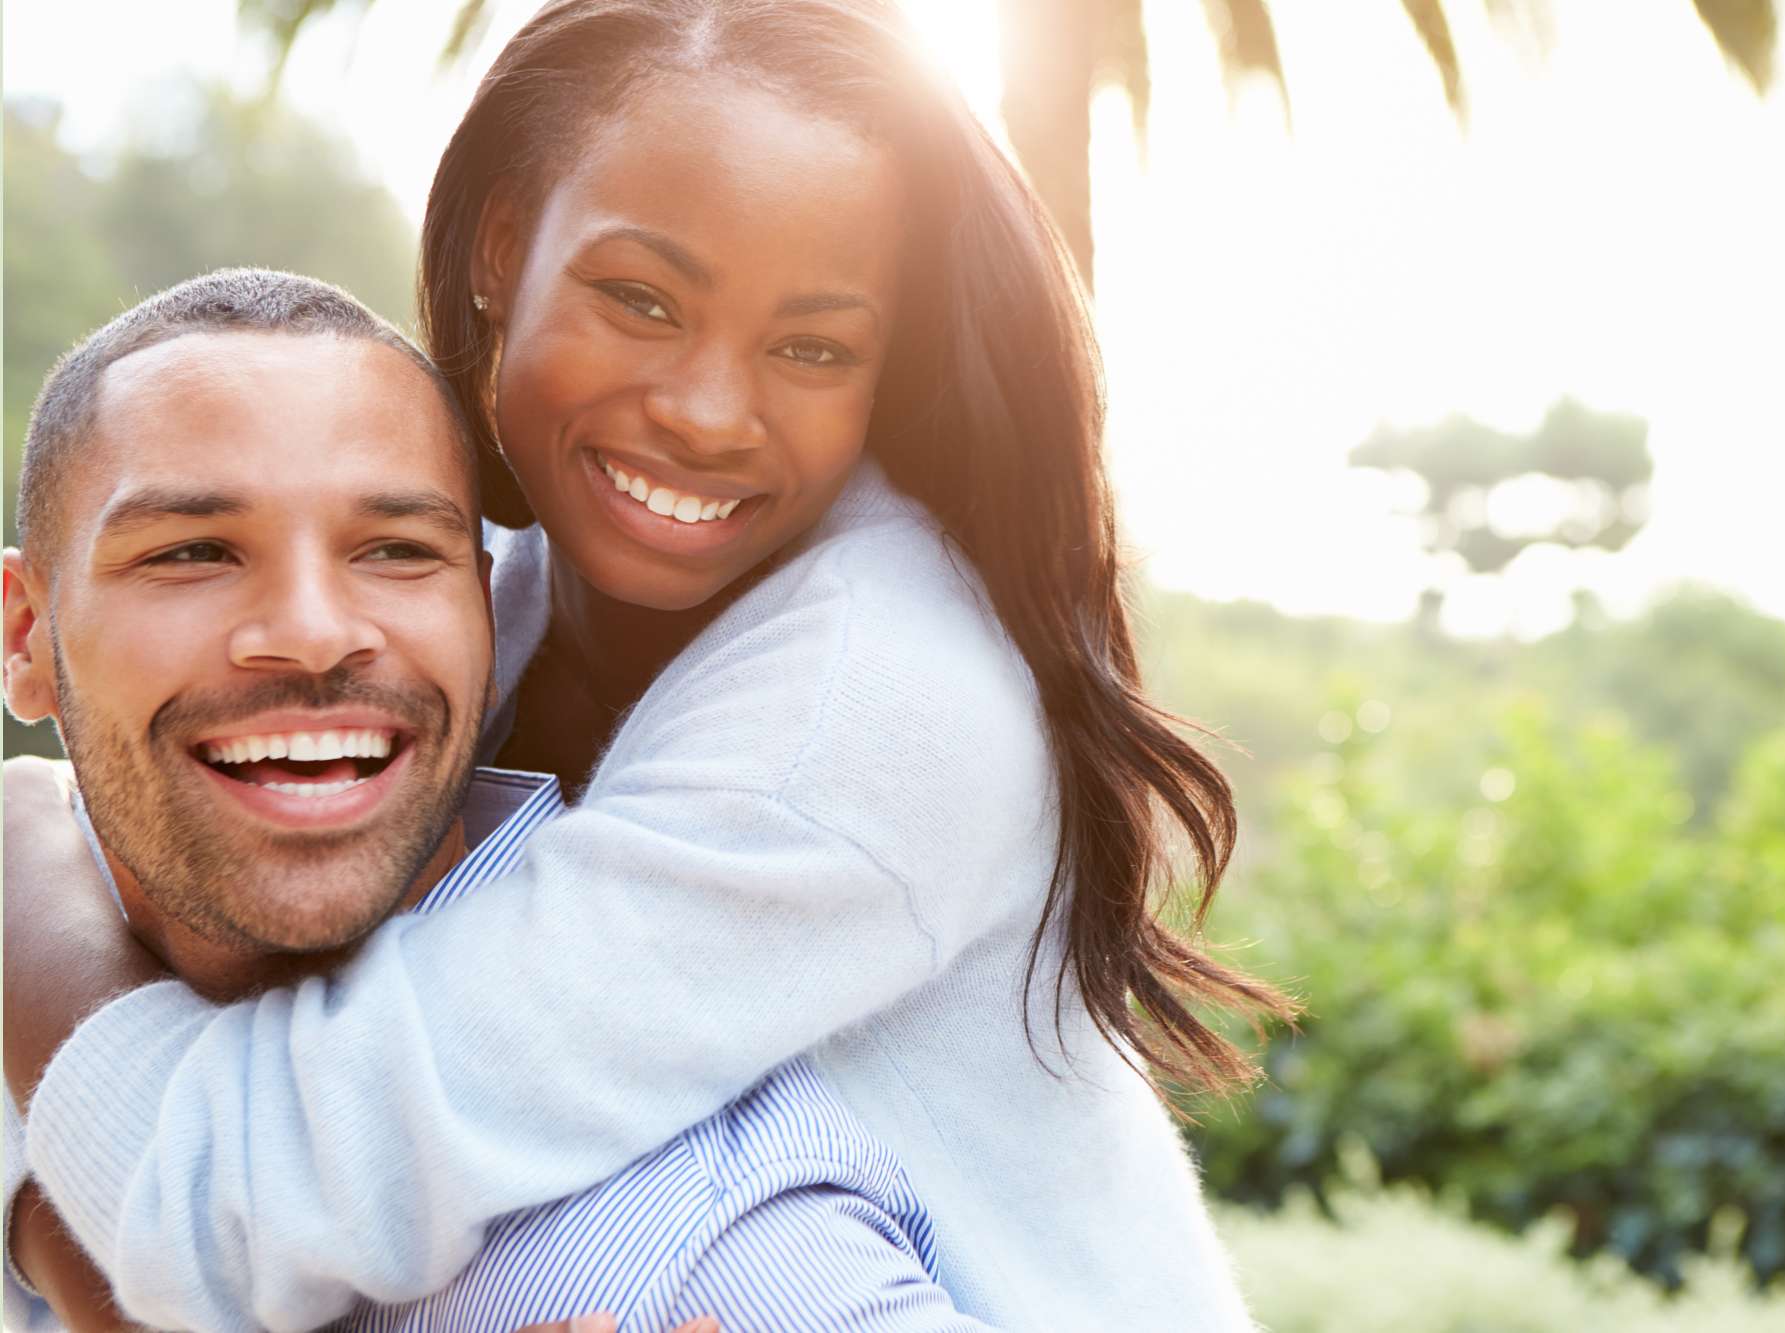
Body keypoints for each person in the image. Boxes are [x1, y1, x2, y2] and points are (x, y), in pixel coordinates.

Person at [3, 2, 1292, 1328]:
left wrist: (22, 875)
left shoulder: (874, 700)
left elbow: (244, 1197)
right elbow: (166, 1061)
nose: (706, 412)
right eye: (641, 299)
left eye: (813, 348)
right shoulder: (482, 593)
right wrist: (56, 1223)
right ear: (502, 247)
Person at [2, 269, 983, 1333]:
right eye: (193, 552)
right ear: (25, 638)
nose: (315, 629)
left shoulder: (705, 1232)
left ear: (481, 599)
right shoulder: (60, 987)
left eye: (394, 551)